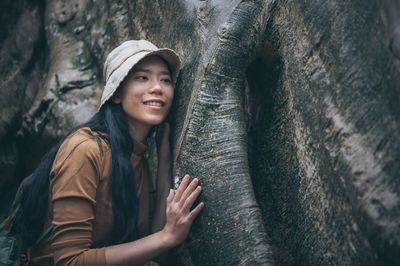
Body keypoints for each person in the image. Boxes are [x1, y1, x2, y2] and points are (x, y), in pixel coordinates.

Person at [15, 40, 204, 265]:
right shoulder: (85, 151)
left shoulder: (136, 156)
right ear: (116, 94)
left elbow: (153, 247)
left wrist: (164, 157)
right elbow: (70, 261)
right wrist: (167, 237)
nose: (157, 88)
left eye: (165, 79)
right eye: (142, 78)